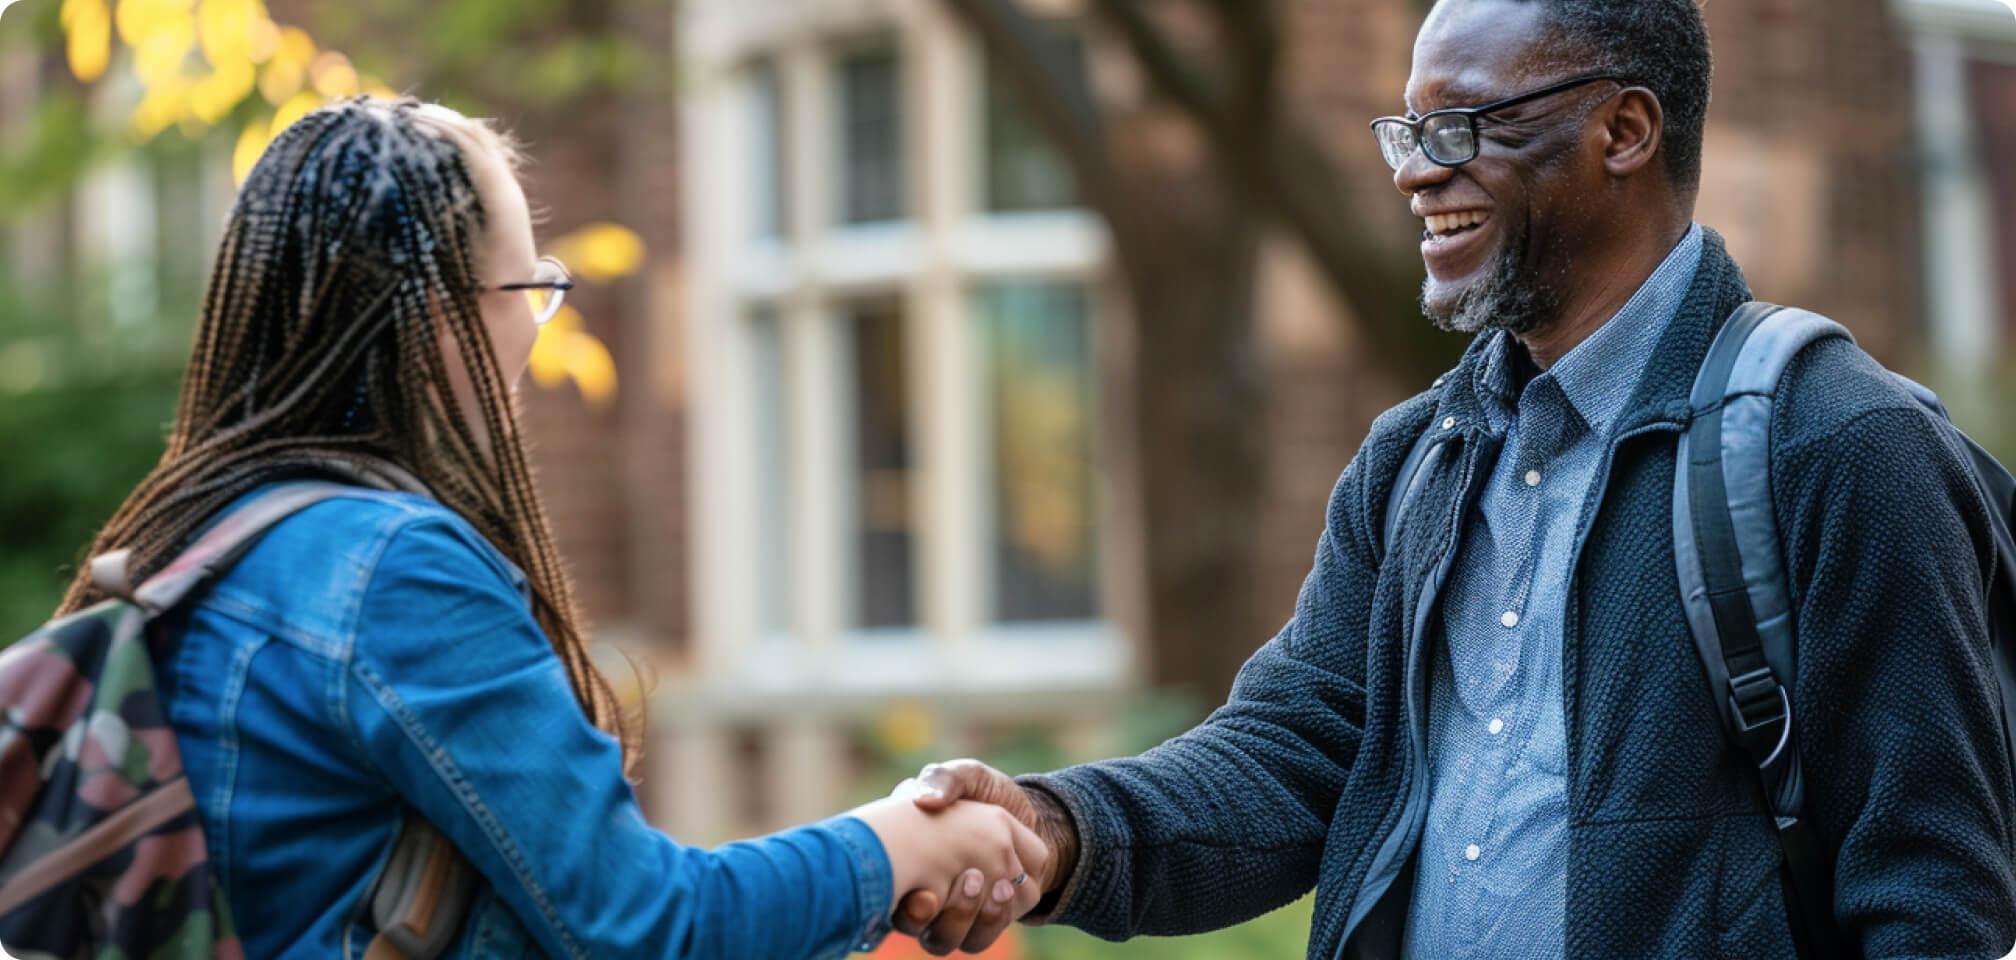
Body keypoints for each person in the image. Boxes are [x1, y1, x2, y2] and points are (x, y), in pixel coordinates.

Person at [894, 0, 2016, 957]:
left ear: (1623, 130)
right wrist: (1055, 830)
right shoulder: (1415, 459)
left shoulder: (1842, 445)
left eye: (1464, 125)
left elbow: (1931, 895)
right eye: (1410, 129)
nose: (1419, 171)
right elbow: (1295, 752)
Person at [55, 96, 1047, 959]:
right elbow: (649, 931)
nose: (537, 327)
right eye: (532, 292)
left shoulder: (205, 542)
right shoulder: (396, 572)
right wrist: (895, 845)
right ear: (443, 315)